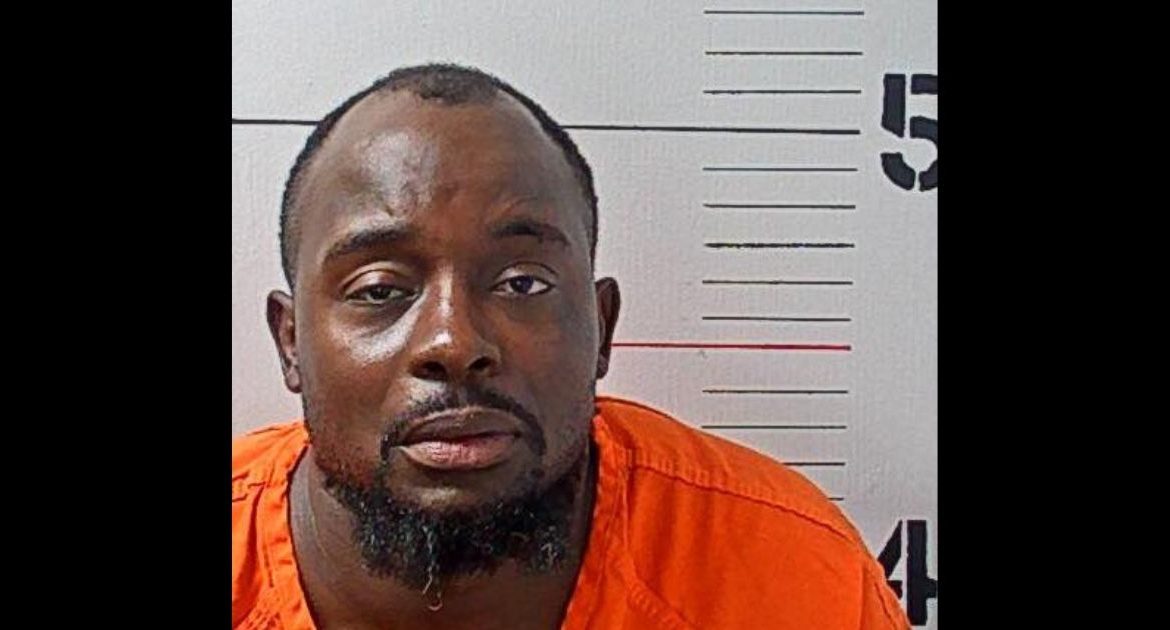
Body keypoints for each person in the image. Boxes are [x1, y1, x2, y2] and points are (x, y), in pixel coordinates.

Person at [232, 62, 910, 629]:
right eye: (380, 289)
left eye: (522, 283)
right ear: (291, 343)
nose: (453, 342)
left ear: (603, 328)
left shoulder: (796, 578)